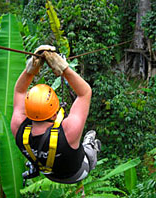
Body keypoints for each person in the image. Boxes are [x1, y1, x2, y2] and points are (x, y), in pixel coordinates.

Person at [11, 45, 101, 184]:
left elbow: (19, 91)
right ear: (54, 115)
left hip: (49, 174)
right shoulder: (69, 131)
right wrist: (63, 68)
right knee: (88, 150)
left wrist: (31, 69)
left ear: (27, 109)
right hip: (77, 173)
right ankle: (91, 144)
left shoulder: (18, 126)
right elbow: (85, 93)